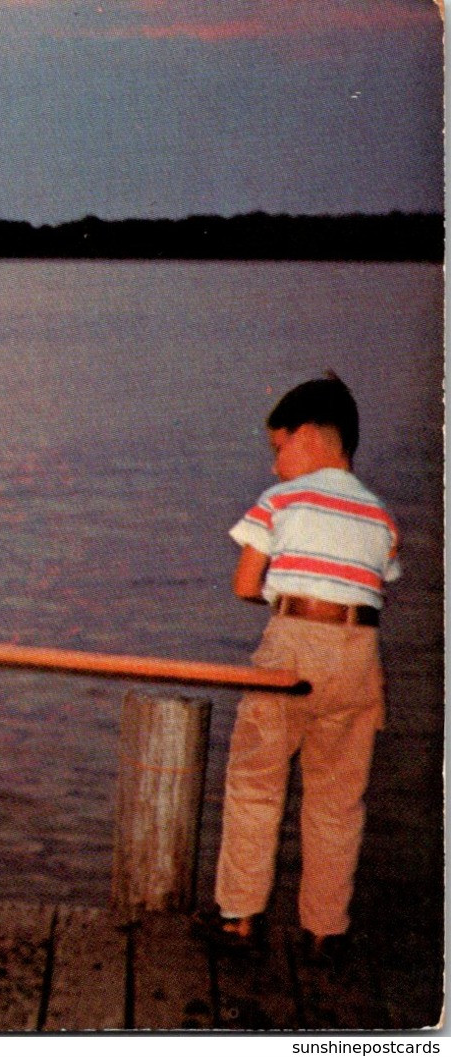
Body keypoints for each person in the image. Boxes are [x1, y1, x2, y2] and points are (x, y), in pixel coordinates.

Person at [201, 374, 399, 965]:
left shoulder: (280, 502)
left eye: (278, 447)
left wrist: (291, 597)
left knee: (256, 782)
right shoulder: (382, 517)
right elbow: (375, 585)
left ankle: (239, 920)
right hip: (360, 655)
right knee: (338, 797)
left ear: (310, 437)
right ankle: (324, 931)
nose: (274, 465)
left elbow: (245, 585)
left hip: (292, 648)